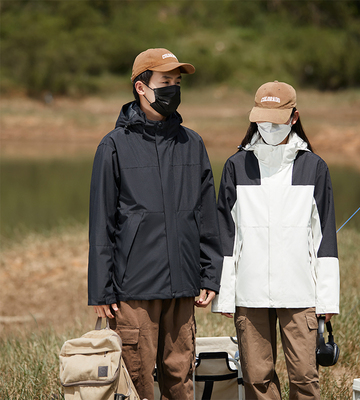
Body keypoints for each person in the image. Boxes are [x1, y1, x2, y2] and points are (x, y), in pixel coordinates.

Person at [88, 48, 223, 400]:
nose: (173, 89)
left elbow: (206, 214)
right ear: (141, 87)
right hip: (134, 289)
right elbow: (101, 222)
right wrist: (101, 289)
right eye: (165, 82)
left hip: (183, 285)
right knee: (136, 382)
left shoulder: (192, 144)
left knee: (180, 379)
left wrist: (210, 274)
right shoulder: (113, 146)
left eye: (177, 83)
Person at [212, 81, 340, 399]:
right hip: (249, 292)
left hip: (300, 293)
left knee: (304, 378)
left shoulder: (314, 168)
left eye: (276, 119)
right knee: (256, 378)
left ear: (294, 118)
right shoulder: (236, 166)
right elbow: (225, 235)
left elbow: (325, 239)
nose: (268, 127)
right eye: (262, 119)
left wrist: (326, 301)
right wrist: (225, 295)